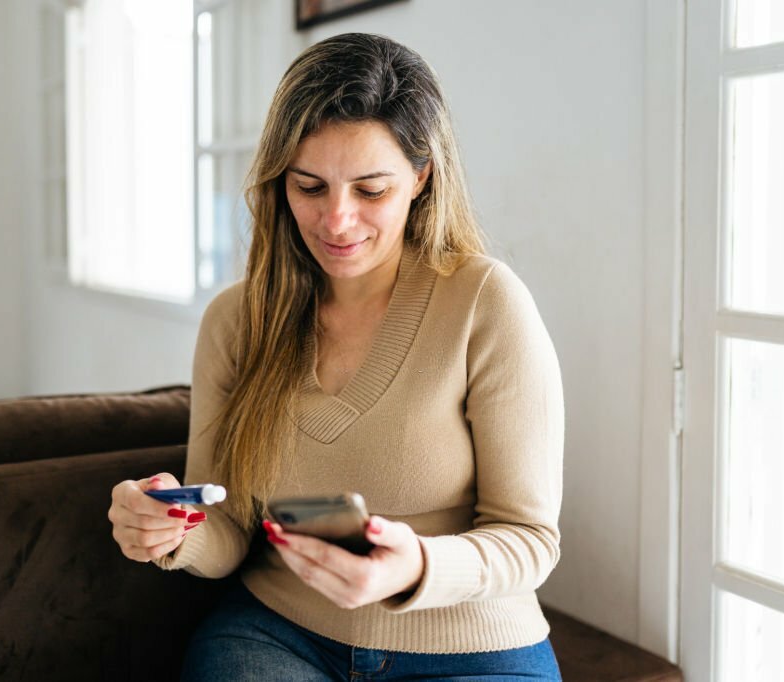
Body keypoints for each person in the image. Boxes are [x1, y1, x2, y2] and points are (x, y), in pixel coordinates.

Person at [108, 32, 565, 681]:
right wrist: (173, 532)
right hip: (279, 636)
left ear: (421, 176)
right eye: (309, 186)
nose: (337, 220)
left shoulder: (486, 304)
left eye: (371, 190)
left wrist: (416, 566)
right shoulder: (235, 323)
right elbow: (231, 530)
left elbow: (530, 538)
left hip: (471, 648)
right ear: (278, 183)